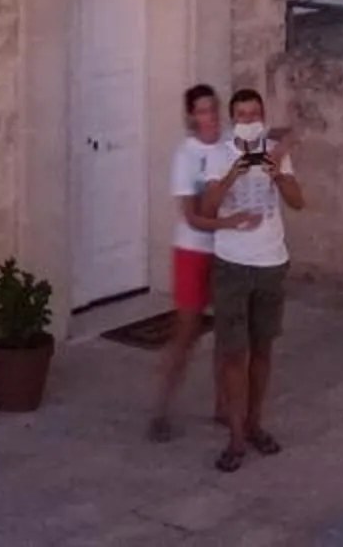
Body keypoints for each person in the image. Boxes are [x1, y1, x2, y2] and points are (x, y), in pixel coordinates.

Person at [195, 86, 304, 474]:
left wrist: (277, 170)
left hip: (271, 261)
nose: (248, 120)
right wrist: (232, 175)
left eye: (254, 113)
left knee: (263, 348)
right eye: (242, 115)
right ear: (232, 119)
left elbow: (297, 201)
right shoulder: (218, 155)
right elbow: (207, 205)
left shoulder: (275, 153)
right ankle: (236, 435)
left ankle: (255, 422)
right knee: (232, 352)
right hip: (232, 264)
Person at [148, 84, 241, 442]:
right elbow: (190, 217)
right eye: (203, 111)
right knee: (185, 332)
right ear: (192, 116)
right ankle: (162, 408)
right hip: (193, 250)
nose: (211, 117)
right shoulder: (185, 156)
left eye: (214, 109)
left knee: (227, 331)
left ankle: (222, 405)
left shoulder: (230, 143)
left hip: (227, 251)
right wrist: (229, 223)